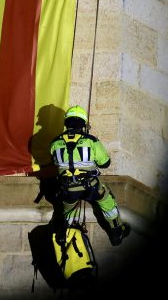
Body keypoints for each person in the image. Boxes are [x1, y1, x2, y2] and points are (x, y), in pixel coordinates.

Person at [49, 105, 131, 246]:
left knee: (68, 210)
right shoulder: (91, 140)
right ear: (83, 124)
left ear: (66, 123)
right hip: (91, 186)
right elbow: (105, 163)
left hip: (68, 188)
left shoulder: (55, 143)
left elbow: (54, 162)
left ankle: (65, 234)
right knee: (107, 202)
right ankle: (117, 232)